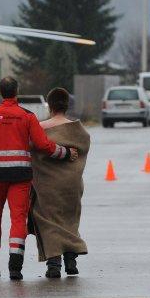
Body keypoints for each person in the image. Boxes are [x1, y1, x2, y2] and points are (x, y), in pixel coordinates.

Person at [0, 77, 78, 280]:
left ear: (0, 92)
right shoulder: (27, 116)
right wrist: (65, 153)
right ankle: (15, 267)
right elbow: (43, 145)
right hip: (21, 176)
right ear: (17, 92)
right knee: (18, 219)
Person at [29, 88, 90, 278]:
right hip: (72, 185)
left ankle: (54, 263)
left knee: (49, 222)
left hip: (47, 186)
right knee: (70, 221)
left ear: (50, 105)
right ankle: (71, 260)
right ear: (67, 105)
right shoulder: (80, 132)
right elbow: (82, 152)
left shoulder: (40, 129)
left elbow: (32, 151)